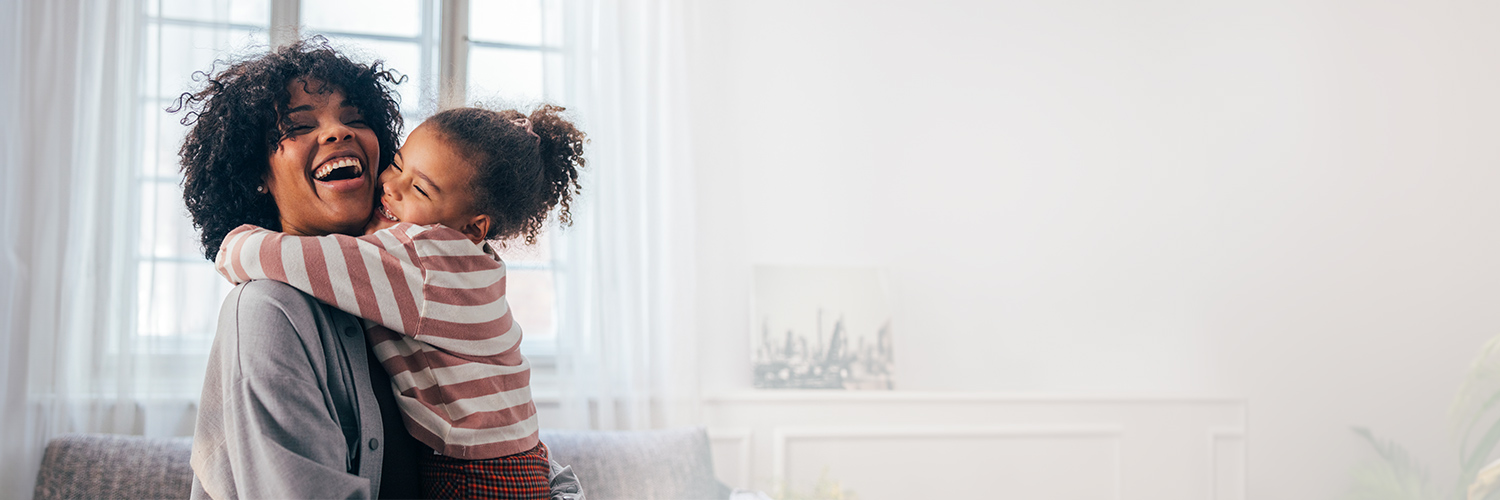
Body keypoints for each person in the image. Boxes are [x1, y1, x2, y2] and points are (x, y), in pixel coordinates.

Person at [212, 104, 587, 499]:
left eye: (420, 189)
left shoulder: (424, 260)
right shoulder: (465, 262)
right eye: (396, 164)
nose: (391, 186)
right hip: (515, 464)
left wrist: (234, 243)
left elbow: (283, 257)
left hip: (476, 478)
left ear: (472, 227)